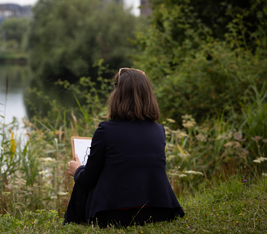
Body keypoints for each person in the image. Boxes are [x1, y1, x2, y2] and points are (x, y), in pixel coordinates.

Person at [64, 68, 184, 228]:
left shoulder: (105, 130)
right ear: (148, 95)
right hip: (160, 212)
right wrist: (138, 80)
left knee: (82, 179)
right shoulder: (158, 130)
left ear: (117, 96)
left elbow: (89, 178)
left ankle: (70, 224)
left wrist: (77, 169)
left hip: (115, 215)